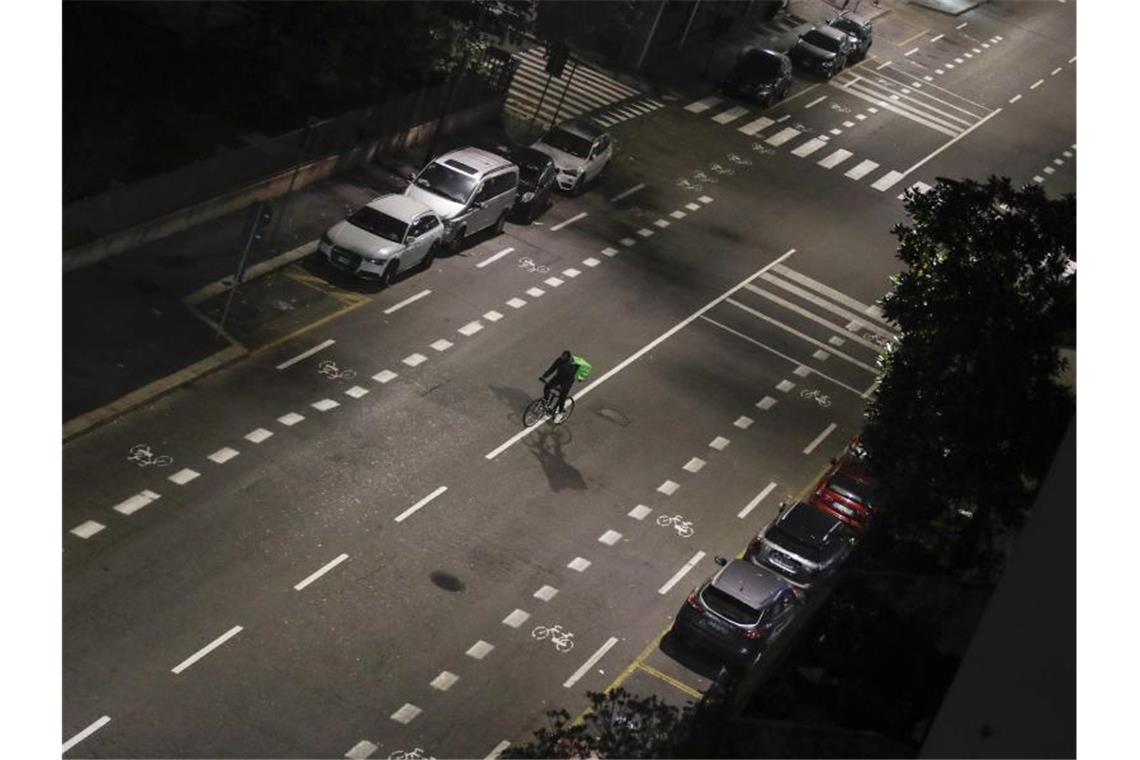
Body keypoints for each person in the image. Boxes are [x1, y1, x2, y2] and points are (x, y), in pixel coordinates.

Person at [540, 350, 585, 419]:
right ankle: (546, 402)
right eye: (562, 355)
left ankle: (560, 412)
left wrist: (562, 388)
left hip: (567, 381)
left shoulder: (572, 366)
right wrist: (544, 376)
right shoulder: (559, 360)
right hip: (558, 378)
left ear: (567, 358)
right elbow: (552, 368)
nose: (561, 357)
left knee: (562, 396)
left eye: (563, 356)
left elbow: (570, 378)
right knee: (547, 386)